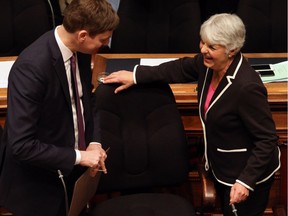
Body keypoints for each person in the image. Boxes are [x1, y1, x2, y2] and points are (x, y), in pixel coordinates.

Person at [103, 13, 281, 216]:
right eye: (202, 42)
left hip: (245, 176)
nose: (204, 50)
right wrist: (136, 76)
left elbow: (267, 140)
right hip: (221, 168)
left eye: (212, 47)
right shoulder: (208, 65)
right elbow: (178, 69)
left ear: (232, 50)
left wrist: (245, 182)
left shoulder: (247, 87)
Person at [0, 0, 119, 215]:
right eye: (103, 39)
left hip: (72, 176)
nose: (106, 44)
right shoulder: (32, 68)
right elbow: (21, 145)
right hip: (38, 188)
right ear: (83, 35)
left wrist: (93, 141)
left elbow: (86, 98)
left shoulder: (80, 50)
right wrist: (80, 156)